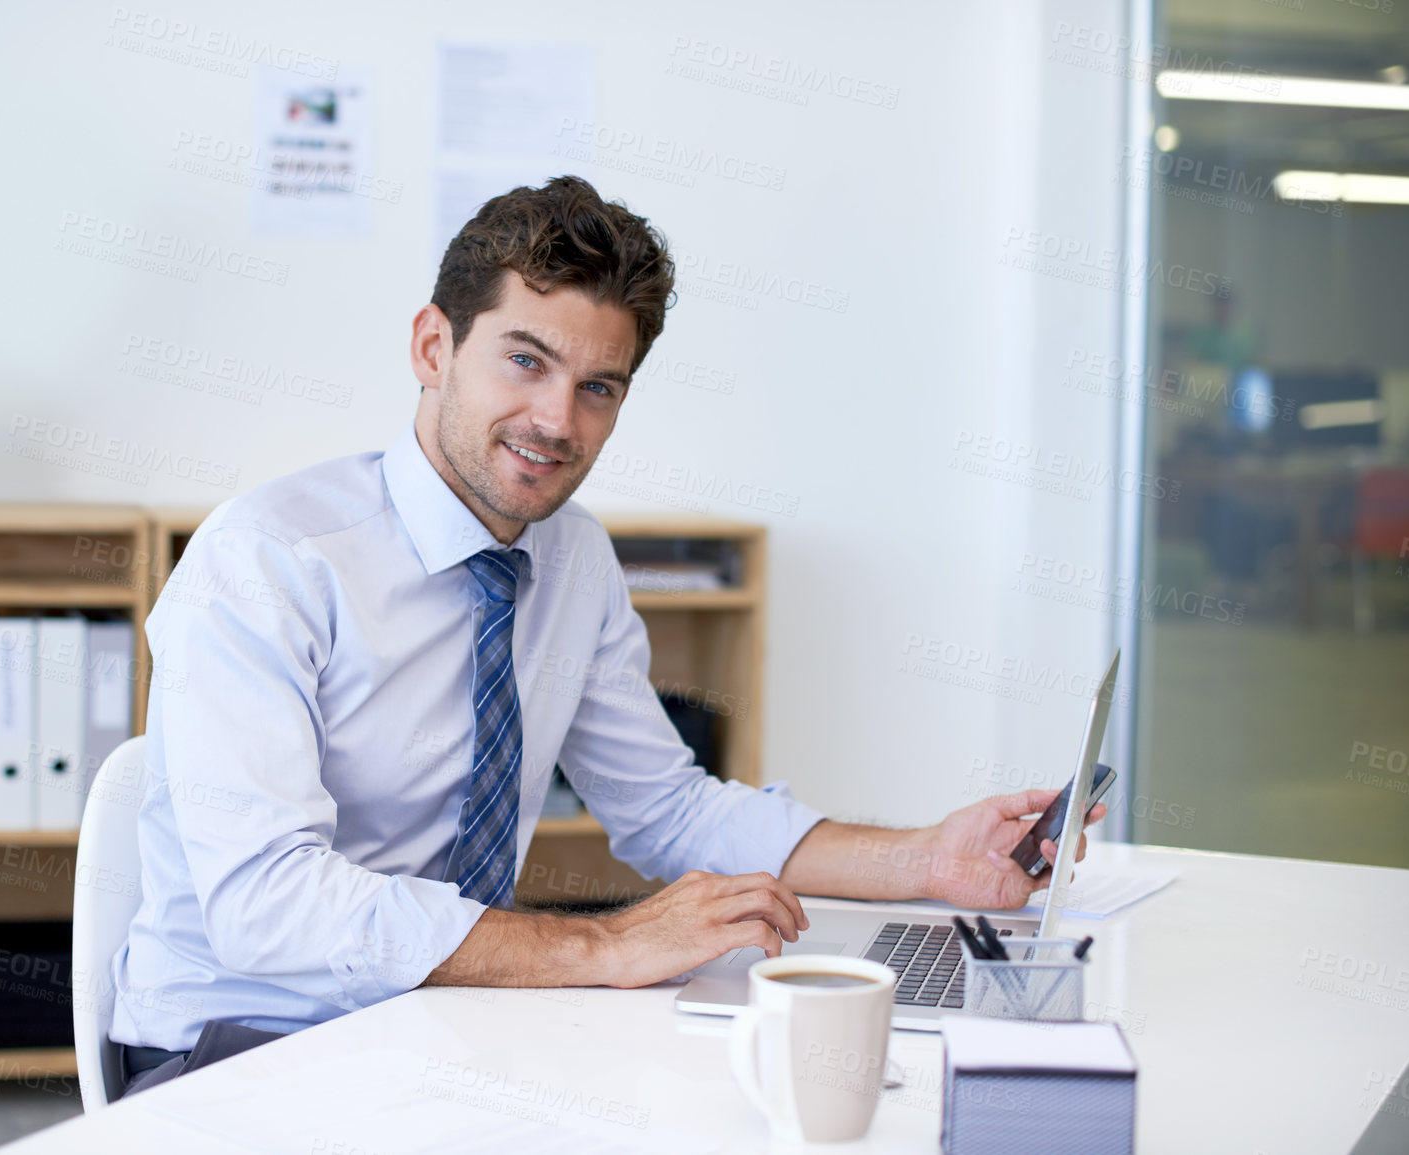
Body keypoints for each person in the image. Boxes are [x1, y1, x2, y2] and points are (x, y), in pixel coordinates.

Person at [110, 175, 1102, 1095]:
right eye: (526, 360)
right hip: (235, 1049)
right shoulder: (271, 560)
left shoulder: (572, 561)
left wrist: (923, 859)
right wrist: (602, 946)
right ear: (431, 347)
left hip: (435, 1028)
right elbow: (266, 907)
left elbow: (668, 812)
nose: (555, 419)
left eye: (599, 387)